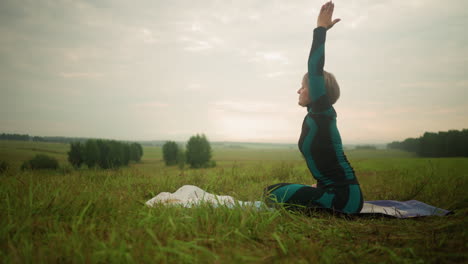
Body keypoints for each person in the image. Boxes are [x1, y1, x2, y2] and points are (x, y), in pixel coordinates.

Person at [264, 1, 364, 214]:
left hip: (343, 199)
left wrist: (320, 29)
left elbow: (314, 67)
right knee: (274, 191)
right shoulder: (317, 115)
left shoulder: (322, 112)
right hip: (337, 193)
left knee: (271, 194)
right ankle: (319, 195)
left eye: (303, 87)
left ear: (317, 91)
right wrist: (319, 185)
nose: (298, 91)